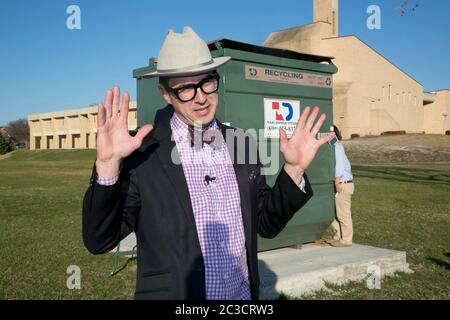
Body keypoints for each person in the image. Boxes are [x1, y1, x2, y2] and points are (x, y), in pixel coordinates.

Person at [82, 26, 335, 299]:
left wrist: (294, 169)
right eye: (185, 89)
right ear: (166, 94)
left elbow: (265, 224)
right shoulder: (143, 153)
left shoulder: (242, 143)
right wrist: (107, 166)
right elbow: (100, 240)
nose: (201, 97)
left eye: (206, 82)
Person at [328, 125, 354, 247]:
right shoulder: (332, 145)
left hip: (343, 183)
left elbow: (338, 166)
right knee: (333, 213)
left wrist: (337, 182)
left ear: (333, 133)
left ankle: (347, 240)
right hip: (340, 183)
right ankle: (338, 236)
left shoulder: (336, 146)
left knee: (343, 214)